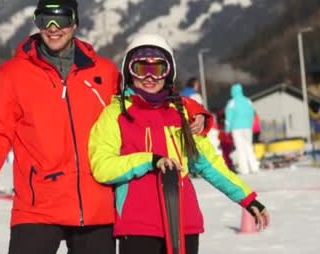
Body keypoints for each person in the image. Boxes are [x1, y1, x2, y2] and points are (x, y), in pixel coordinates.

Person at [0, 0, 210, 254]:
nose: (53, 28)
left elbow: (146, 97)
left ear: (74, 23)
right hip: (37, 205)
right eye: (44, 20)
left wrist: (194, 111)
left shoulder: (104, 72)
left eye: (61, 20)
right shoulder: (12, 75)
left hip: (96, 203)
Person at [88, 34, 269, 254]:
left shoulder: (182, 114)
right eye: (140, 68)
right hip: (138, 226)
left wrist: (248, 199)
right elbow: (102, 167)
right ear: (128, 71)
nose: (149, 77)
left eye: (157, 70)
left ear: (169, 73)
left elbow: (209, 165)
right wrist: (150, 160)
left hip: (184, 222)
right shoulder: (116, 115)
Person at [225, 84, 260, 174]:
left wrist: (227, 129)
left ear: (233, 91)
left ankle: (244, 169)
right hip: (247, 127)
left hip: (236, 128)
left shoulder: (232, 102)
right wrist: (250, 125)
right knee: (249, 147)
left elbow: (229, 117)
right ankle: (254, 167)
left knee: (240, 148)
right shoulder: (248, 101)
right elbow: (252, 114)